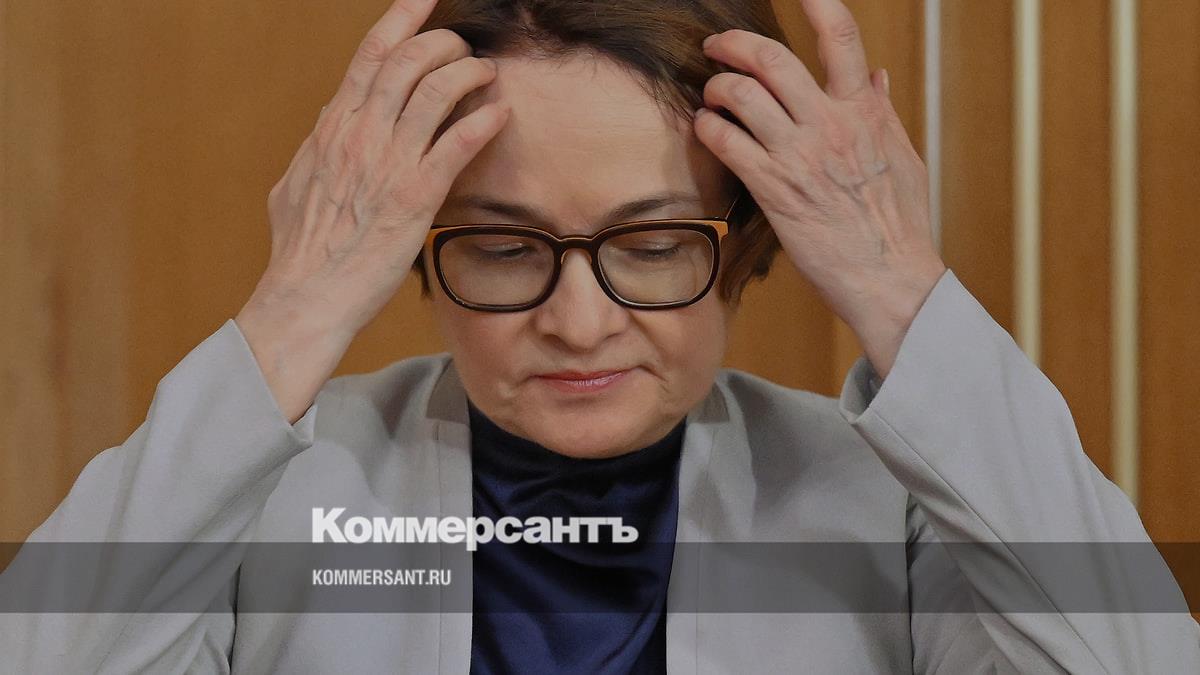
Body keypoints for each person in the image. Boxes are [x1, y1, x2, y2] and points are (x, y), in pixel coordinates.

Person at [2, 0, 1197, 672]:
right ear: (409, 238)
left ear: (748, 237)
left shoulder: (893, 502)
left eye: (653, 243)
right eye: (502, 247)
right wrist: (296, 303)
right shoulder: (274, 491)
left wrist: (899, 288)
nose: (579, 325)